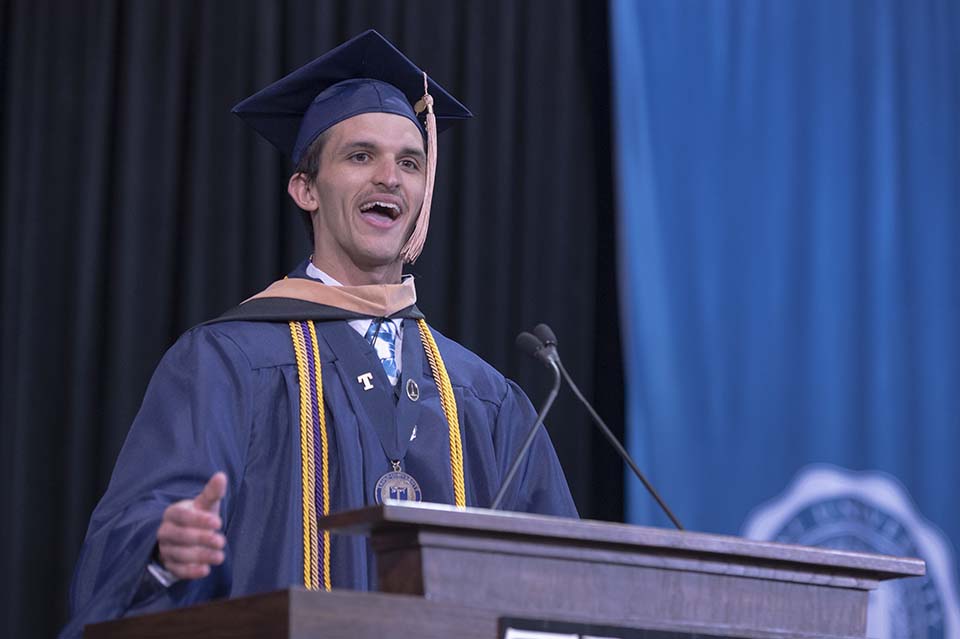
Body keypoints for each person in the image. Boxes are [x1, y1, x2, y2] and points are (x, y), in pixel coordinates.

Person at [59, 30, 576, 638]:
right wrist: (163, 550)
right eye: (360, 156)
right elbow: (131, 538)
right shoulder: (228, 363)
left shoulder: (484, 397)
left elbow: (561, 579)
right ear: (306, 188)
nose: (390, 177)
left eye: (410, 162)